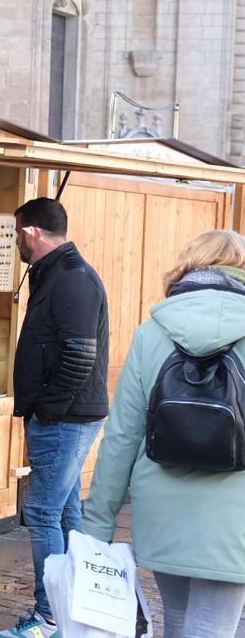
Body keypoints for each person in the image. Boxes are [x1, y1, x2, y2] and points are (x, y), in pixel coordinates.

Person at [82, 230, 245, 637]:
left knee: (177, 619)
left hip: (162, 506)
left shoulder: (152, 331)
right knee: (213, 626)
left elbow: (122, 437)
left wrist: (97, 525)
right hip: (235, 514)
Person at [1, 197, 108, 638]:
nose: (14, 244)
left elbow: (80, 355)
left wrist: (48, 410)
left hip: (65, 418)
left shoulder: (70, 279)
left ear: (31, 234)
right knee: (64, 511)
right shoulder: (59, 275)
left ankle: (49, 617)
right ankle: (72, 609)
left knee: (43, 511)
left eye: (15, 234)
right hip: (66, 415)